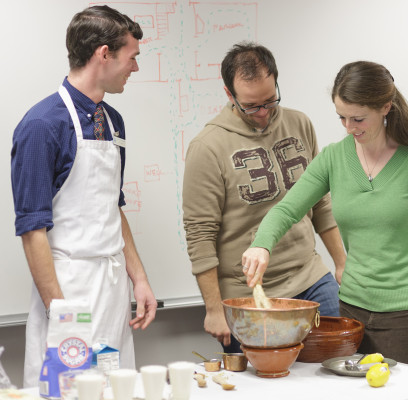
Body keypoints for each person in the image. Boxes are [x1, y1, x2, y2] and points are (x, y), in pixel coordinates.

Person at [242, 61, 408, 371]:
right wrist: (261, 245)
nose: (349, 127)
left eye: (358, 118)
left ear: (386, 107)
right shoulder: (334, 157)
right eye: (342, 118)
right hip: (353, 313)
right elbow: (287, 208)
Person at [11, 5, 157, 387]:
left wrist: (138, 279)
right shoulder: (42, 126)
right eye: (132, 57)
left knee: (117, 386)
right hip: (68, 287)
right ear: (103, 54)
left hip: (112, 287)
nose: (135, 68)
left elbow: (113, 205)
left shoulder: (113, 122)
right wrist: (61, 313)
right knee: (65, 390)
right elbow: (32, 230)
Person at [182, 42, 346, 353]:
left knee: (333, 374)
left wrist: (341, 264)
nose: (262, 113)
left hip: (311, 279)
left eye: (270, 101)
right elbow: (200, 236)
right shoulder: (208, 147)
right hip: (248, 296)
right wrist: (215, 310)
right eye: (251, 106)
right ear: (229, 95)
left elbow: (320, 203)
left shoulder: (299, 124)